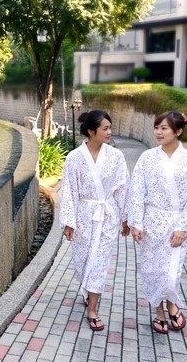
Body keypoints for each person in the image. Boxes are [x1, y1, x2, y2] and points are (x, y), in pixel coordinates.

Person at [129, 111, 187, 334]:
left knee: (171, 272)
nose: (158, 132)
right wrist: (137, 223)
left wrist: (183, 227)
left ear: (178, 131)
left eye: (164, 128)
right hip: (152, 223)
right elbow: (137, 191)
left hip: (176, 224)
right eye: (156, 127)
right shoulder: (147, 158)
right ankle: (160, 313)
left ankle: (172, 303)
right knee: (153, 270)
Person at [60, 109, 130, 331]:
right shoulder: (74, 158)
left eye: (110, 128)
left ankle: (92, 309)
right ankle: (87, 290)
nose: (110, 132)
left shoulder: (116, 157)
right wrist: (69, 222)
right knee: (82, 262)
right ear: (91, 131)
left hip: (107, 216)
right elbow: (69, 191)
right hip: (83, 216)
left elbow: (123, 188)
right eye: (105, 128)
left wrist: (126, 218)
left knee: (99, 264)